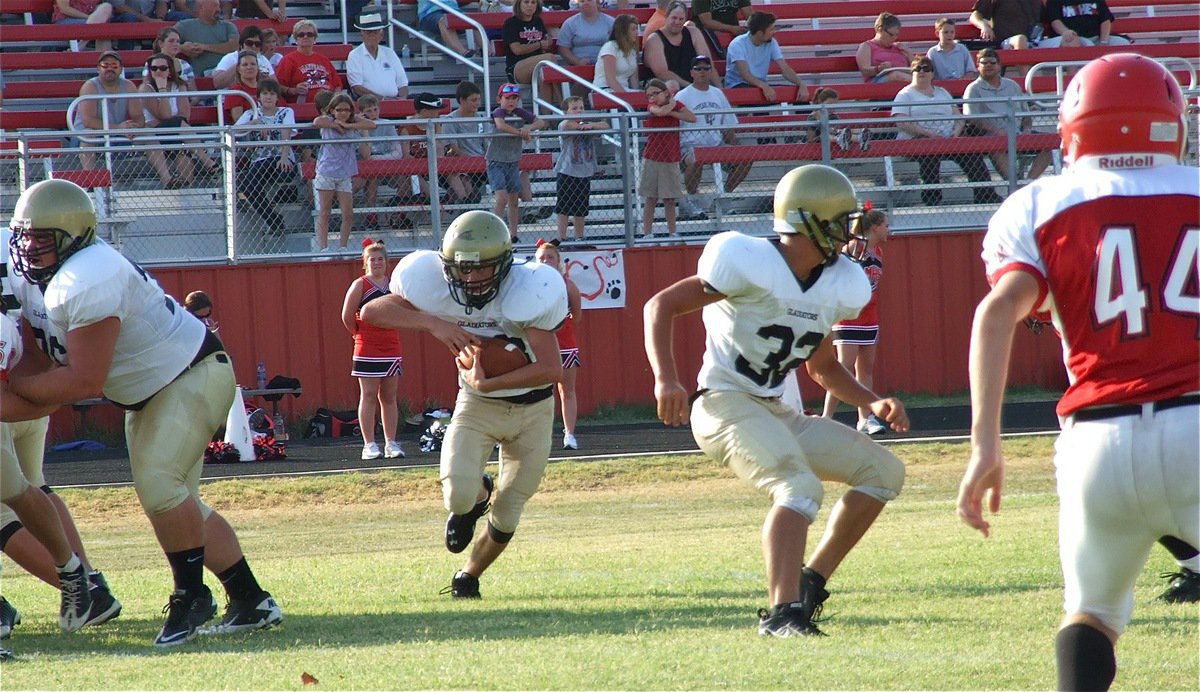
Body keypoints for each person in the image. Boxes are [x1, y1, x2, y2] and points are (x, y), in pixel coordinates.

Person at [956, 54, 1197, 691]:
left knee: (1091, 616)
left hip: (1097, 440)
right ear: (1171, 122)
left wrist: (985, 443)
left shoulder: (1038, 203)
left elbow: (996, 314)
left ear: (1072, 130)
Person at [7, 179, 283, 648]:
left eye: (43, 237)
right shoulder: (38, 282)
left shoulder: (87, 275)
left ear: (75, 236)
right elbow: (49, 372)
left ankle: (189, 597)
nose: (30, 247)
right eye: (25, 236)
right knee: (179, 502)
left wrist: (12, 389)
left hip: (190, 375)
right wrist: (19, 391)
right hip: (151, 393)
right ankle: (250, 599)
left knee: (160, 488)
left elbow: (81, 381)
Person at [644, 163, 909, 637]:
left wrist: (873, 400)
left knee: (885, 472)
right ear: (810, 221)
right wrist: (666, 378)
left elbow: (823, 368)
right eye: (839, 221)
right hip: (723, 403)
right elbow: (660, 305)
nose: (849, 233)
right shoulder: (747, 260)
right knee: (798, 487)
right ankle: (783, 614)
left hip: (775, 409)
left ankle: (810, 583)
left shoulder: (837, 281)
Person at [360, 210, 568, 600]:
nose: (470, 279)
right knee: (456, 496)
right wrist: (436, 325)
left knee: (509, 511)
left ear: (504, 264)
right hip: (476, 405)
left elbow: (552, 369)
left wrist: (490, 380)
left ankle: (469, 574)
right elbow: (371, 311)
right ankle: (477, 495)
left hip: (533, 410)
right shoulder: (429, 282)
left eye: (481, 269)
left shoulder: (530, 290)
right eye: (462, 269)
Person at [0, 312, 97, 640]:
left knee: (8, 505)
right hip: (23, 398)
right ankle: (88, 582)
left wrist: (43, 402)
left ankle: (77, 579)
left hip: (10, 407)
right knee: (32, 487)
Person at [891, 56, 1001, 206]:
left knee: (972, 153)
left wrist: (956, 132)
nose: (922, 72)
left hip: (948, 138)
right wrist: (926, 133)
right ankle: (932, 198)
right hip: (917, 139)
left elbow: (959, 117)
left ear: (932, 74)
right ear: (912, 73)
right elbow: (901, 121)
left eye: (926, 69)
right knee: (929, 153)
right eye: (918, 69)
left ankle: (985, 195)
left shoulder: (942, 92)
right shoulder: (905, 94)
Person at [821, 207, 890, 435]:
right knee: (843, 370)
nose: (888, 229)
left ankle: (865, 419)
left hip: (870, 318)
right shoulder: (853, 249)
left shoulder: (878, 251)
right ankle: (826, 420)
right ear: (874, 227)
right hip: (848, 318)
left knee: (866, 371)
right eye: (886, 225)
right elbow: (834, 275)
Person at [341, 240, 405, 461]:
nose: (376, 263)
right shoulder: (360, 284)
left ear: (387, 262)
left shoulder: (394, 284)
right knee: (368, 395)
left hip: (391, 346)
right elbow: (347, 316)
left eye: (380, 259)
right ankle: (369, 444)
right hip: (367, 346)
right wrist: (358, 333)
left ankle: (391, 443)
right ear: (365, 263)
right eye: (372, 259)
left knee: (389, 397)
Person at [962, 48, 1053, 182]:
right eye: (984, 63)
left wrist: (1027, 129)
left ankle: (1027, 182)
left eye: (992, 63)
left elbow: (1026, 115)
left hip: (1018, 132)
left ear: (999, 66)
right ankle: (1014, 183)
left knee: (1048, 144)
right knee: (996, 146)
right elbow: (972, 118)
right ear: (978, 66)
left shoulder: (1012, 85)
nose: (988, 66)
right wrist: (996, 131)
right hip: (992, 136)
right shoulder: (973, 89)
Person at [676, 54, 748, 220]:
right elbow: (675, 128)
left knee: (746, 158)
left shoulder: (718, 94)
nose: (702, 72)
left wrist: (739, 149)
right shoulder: (683, 96)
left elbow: (728, 127)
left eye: (706, 68)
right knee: (697, 158)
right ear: (691, 72)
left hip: (716, 144)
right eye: (698, 68)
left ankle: (723, 196)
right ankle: (692, 198)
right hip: (690, 145)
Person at [139, 52, 221, 187]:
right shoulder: (145, 89)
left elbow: (185, 115)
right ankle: (207, 162)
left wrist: (173, 122)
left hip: (177, 132)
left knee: (182, 149)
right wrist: (162, 89)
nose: (158, 71)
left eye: (163, 68)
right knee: (178, 126)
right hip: (155, 133)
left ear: (170, 70)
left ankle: (185, 187)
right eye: (154, 68)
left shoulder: (180, 85)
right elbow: (163, 115)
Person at [534, 239, 583, 449]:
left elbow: (577, 316)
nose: (546, 261)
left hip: (565, 343)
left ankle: (569, 435)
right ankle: (533, 436)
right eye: (541, 258)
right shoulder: (528, 285)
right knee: (534, 391)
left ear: (558, 261)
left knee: (567, 390)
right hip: (536, 344)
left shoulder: (568, 285)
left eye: (550, 257)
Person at [312, 92, 375, 253]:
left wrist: (348, 126)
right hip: (326, 171)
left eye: (346, 110)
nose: (343, 113)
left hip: (345, 173)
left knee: (347, 213)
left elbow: (371, 124)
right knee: (325, 211)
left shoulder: (353, 121)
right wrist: (335, 125)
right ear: (332, 110)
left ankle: (343, 247)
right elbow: (317, 121)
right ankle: (323, 248)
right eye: (339, 110)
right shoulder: (328, 121)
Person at [234, 78, 297, 237]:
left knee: (253, 179)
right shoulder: (251, 114)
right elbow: (234, 131)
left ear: (277, 97)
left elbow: (287, 130)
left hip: (282, 160)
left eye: (272, 94)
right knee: (248, 187)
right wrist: (253, 124)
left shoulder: (286, 112)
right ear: (258, 97)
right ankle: (274, 220)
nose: (268, 97)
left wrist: (284, 157)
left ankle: (276, 218)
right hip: (259, 161)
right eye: (265, 93)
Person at [72, 52, 148, 174]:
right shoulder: (90, 86)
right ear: (98, 68)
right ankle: (90, 181)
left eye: (114, 66)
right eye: (105, 65)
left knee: (149, 135)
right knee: (88, 135)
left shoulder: (129, 86)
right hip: (91, 136)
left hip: (118, 136)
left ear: (121, 69)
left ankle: (168, 180)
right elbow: (88, 121)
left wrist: (134, 127)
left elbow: (138, 116)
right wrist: (118, 128)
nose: (110, 69)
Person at [488, 83, 547, 243]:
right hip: (497, 161)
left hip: (513, 161)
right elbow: (500, 125)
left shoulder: (519, 113)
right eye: (507, 98)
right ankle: (493, 231)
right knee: (502, 198)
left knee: (514, 199)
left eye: (514, 98)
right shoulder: (498, 112)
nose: (511, 101)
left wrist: (528, 128)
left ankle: (513, 234)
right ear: (499, 99)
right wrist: (520, 133)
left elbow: (540, 122)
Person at [640, 78, 695, 239]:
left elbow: (691, 117)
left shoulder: (675, 104)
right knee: (651, 197)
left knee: (669, 198)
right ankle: (647, 233)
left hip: (671, 158)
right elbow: (660, 112)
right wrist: (671, 106)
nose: (652, 98)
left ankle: (672, 231)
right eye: (649, 95)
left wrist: (672, 108)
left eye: (656, 94)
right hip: (653, 157)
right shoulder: (653, 106)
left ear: (665, 93)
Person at [723, 12, 808, 102]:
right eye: (771, 29)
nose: (774, 32)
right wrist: (764, 86)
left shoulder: (772, 43)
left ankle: (804, 116)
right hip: (738, 85)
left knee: (799, 94)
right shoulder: (737, 44)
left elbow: (785, 69)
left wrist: (801, 84)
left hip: (760, 85)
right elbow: (745, 75)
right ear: (760, 33)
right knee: (763, 96)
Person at [356, 93, 409, 232]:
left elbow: (398, 153)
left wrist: (378, 159)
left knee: (406, 177)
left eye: (375, 109)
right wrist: (363, 129)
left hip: (387, 165)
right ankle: (371, 216)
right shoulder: (357, 127)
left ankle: (398, 211)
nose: (373, 113)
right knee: (372, 177)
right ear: (361, 113)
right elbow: (365, 156)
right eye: (368, 111)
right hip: (366, 168)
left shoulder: (387, 125)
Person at [553, 96, 603, 241]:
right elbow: (568, 126)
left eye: (581, 108)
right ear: (566, 112)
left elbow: (605, 125)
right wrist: (583, 126)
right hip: (567, 172)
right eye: (574, 109)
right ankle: (561, 237)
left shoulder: (588, 124)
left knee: (580, 209)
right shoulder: (564, 124)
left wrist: (590, 126)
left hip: (585, 173)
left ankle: (579, 237)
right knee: (563, 208)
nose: (579, 111)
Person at [643, 1, 714, 92]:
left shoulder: (694, 33)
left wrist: (720, 90)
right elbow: (662, 73)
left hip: (694, 85)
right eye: (674, 18)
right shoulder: (654, 39)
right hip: (666, 89)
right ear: (666, 17)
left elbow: (708, 63)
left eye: (681, 19)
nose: (677, 22)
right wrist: (691, 88)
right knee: (673, 85)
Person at [502, 0, 559, 105]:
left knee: (544, 75)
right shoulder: (511, 23)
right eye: (526, 2)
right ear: (519, 4)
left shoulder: (538, 21)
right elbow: (517, 50)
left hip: (538, 65)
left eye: (533, 2)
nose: (530, 5)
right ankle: (564, 104)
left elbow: (545, 40)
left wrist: (547, 42)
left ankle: (546, 120)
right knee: (550, 59)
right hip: (517, 67)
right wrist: (539, 44)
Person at [441, 81, 489, 205]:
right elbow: (453, 148)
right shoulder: (450, 120)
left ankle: (461, 200)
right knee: (459, 173)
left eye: (478, 99)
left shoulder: (482, 118)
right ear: (462, 100)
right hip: (461, 164)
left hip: (482, 163)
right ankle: (467, 200)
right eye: (474, 100)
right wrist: (471, 161)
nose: (478, 103)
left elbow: (488, 143)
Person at [274, 20, 343, 103]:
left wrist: (335, 102)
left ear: (314, 38)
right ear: (296, 38)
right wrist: (293, 90)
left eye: (309, 34)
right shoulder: (288, 60)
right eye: (301, 35)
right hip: (303, 105)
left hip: (328, 104)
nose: (305, 37)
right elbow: (277, 86)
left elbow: (337, 85)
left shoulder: (324, 60)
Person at [347, 11, 410, 101]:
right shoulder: (355, 55)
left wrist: (403, 98)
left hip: (395, 101)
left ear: (381, 35)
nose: (372, 36)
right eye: (368, 32)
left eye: (375, 32)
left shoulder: (389, 53)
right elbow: (357, 87)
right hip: (369, 104)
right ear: (362, 35)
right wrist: (383, 99)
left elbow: (402, 83)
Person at [175, 0, 239, 77]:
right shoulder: (184, 26)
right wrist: (181, 48)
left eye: (219, 6)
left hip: (226, 75)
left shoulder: (228, 26)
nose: (218, 9)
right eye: (214, 6)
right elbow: (162, 43)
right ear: (201, 7)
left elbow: (234, 47)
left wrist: (203, 47)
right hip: (199, 77)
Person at [1039, 0, 1130, 48]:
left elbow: (1105, 20)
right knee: (1086, 43)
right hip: (1075, 38)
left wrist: (1104, 41)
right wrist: (1066, 32)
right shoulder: (1054, 1)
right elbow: (1055, 21)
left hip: (1097, 38)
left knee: (1123, 43)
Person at [855, 12, 914, 84]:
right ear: (879, 29)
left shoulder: (899, 48)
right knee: (896, 75)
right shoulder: (867, 46)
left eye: (896, 35)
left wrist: (909, 54)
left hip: (904, 80)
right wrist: (878, 69)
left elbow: (916, 67)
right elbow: (865, 69)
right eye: (891, 35)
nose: (894, 38)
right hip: (877, 82)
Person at [592, 14, 640, 94]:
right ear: (623, 31)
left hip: (625, 90)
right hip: (604, 90)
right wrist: (626, 98)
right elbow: (610, 80)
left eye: (636, 29)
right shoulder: (610, 47)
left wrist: (638, 95)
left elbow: (634, 79)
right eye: (633, 29)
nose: (636, 33)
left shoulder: (632, 51)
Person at [969, 0, 1044, 50]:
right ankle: (1025, 74)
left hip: (1035, 40)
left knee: (1056, 42)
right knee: (1021, 39)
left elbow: (1050, 18)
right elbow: (974, 16)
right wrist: (984, 26)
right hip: (1008, 41)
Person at [925, 17, 976, 82]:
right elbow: (929, 74)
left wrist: (960, 82)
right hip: (941, 87)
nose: (949, 35)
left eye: (952, 32)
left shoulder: (962, 49)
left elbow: (971, 71)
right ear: (937, 33)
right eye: (946, 32)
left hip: (960, 84)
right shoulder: (932, 52)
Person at [223, 50, 261, 123]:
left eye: (253, 64)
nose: (249, 67)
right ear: (238, 69)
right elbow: (238, 121)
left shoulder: (266, 87)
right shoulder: (235, 91)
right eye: (245, 65)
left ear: (257, 67)